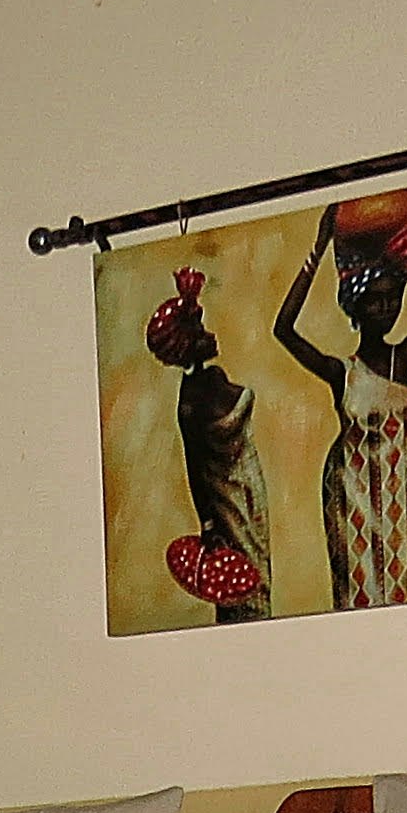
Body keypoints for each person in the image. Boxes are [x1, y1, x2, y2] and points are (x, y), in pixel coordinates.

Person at [276, 192, 407, 610]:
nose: (386, 308)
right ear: (355, 304)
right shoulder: (342, 372)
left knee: (394, 586)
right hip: (348, 486)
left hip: (395, 483)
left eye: (393, 297)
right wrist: (318, 249)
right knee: (353, 590)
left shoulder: (405, 355)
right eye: (374, 299)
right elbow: (284, 329)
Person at [143, 266, 271, 620]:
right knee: (243, 586)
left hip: (244, 494)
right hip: (228, 499)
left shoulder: (208, 382)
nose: (206, 333)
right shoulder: (194, 400)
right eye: (196, 328)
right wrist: (209, 525)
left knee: (256, 573)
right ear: (183, 343)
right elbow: (195, 468)